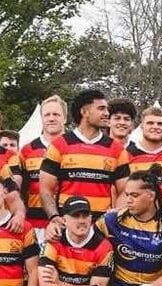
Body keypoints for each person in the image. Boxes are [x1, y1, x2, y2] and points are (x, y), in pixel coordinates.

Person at [40, 89, 129, 220]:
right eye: (101, 108)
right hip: (68, 226)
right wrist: (54, 217)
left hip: (101, 228)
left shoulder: (117, 149)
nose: (107, 113)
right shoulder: (59, 145)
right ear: (84, 112)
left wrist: (115, 216)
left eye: (106, 109)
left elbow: (125, 191)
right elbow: (45, 190)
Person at [124, 104, 162, 214]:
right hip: (136, 220)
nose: (155, 126)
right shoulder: (126, 155)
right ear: (142, 127)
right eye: (150, 123)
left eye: (160, 124)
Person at [19, 96, 67, 218]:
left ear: (65, 118)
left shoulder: (76, 148)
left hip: (68, 223)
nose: (51, 118)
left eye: (56, 114)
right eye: (47, 115)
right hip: (36, 223)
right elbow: (21, 190)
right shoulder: (27, 150)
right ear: (41, 118)